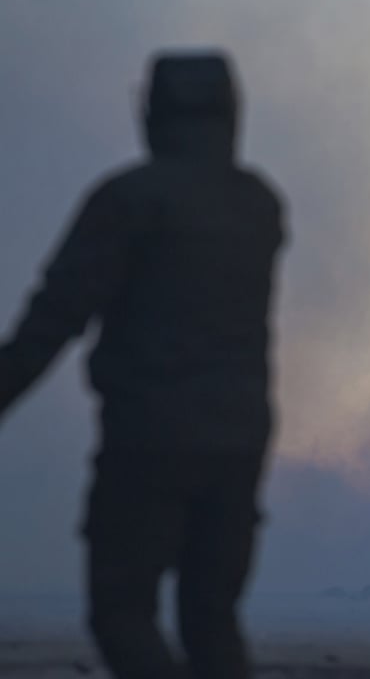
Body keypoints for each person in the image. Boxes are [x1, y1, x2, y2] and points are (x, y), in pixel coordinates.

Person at [0, 51, 287, 679]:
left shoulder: (130, 199)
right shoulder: (258, 203)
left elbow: (58, 312)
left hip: (151, 434)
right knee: (212, 621)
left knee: (121, 612)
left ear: (152, 112)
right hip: (241, 435)